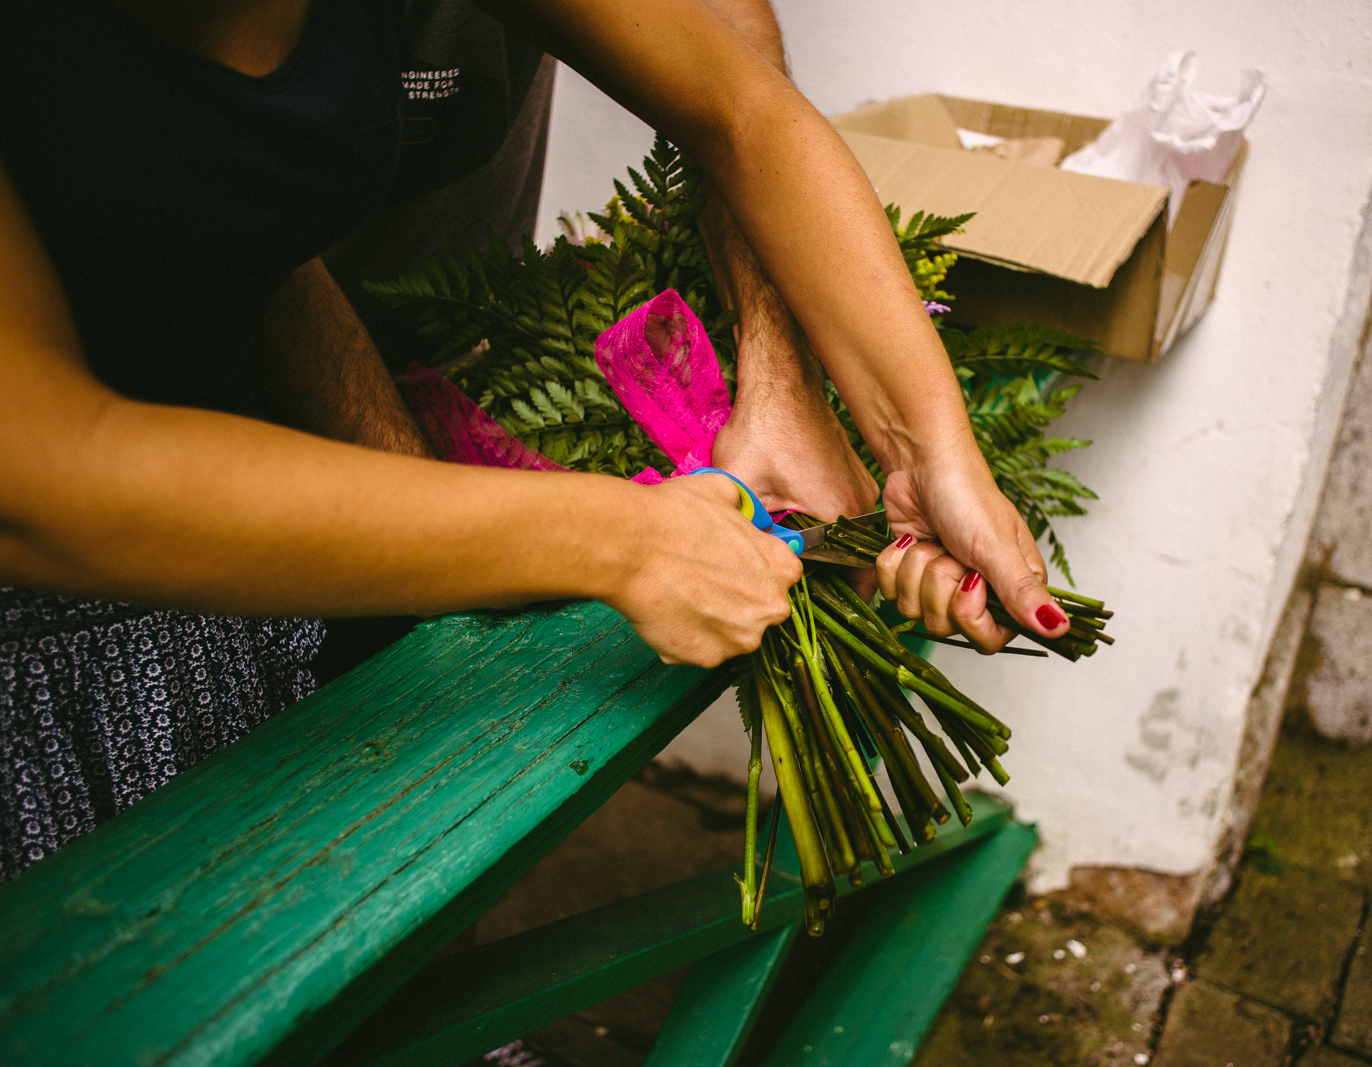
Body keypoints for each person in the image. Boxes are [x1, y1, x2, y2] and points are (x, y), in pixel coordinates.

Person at [0, 0, 1071, 881]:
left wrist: (928, 450)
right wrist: (621, 538)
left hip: (225, 580)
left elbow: (739, 107)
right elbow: (43, 480)